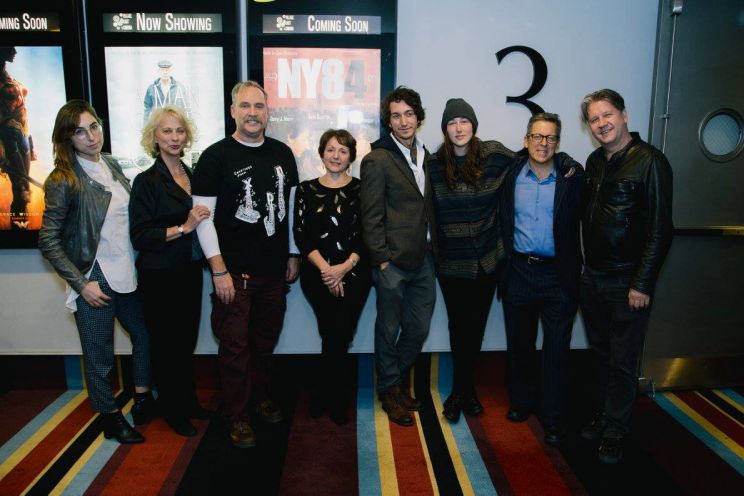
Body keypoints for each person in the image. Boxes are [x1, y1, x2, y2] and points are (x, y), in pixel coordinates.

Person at [39, 100, 155, 443]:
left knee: (145, 336)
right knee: (99, 353)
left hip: (127, 270)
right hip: (95, 275)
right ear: (67, 138)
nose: (91, 136)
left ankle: (142, 397)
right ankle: (109, 417)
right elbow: (48, 240)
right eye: (80, 131)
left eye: (94, 126)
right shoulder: (63, 179)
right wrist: (82, 284)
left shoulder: (111, 164)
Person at [191, 81, 299, 448]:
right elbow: (203, 220)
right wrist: (219, 270)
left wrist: (293, 253)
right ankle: (237, 416)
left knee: (264, 343)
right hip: (234, 274)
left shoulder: (283, 153)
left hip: (274, 273)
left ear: (268, 112)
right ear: (233, 111)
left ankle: (260, 397)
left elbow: (289, 210)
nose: (253, 113)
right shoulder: (215, 157)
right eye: (245, 106)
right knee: (234, 349)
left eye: (259, 106)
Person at [579, 89, 673, 463]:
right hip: (593, 277)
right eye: (594, 119)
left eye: (607, 115)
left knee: (622, 359)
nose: (601, 123)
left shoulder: (650, 161)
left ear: (624, 115)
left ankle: (616, 430)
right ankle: (605, 415)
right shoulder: (594, 162)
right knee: (601, 355)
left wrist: (642, 283)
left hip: (627, 283)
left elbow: (661, 229)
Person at [499, 112, 584, 445]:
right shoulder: (510, 175)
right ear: (526, 140)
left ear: (558, 143)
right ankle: (521, 403)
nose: (543, 143)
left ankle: (553, 417)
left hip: (558, 276)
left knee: (556, 350)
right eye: (537, 136)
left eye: (550, 138)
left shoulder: (572, 178)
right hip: (519, 272)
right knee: (520, 345)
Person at [429, 98, 514, 423]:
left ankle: (462, 391)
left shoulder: (494, 154)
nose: (459, 127)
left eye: (464, 121)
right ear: (445, 129)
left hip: (487, 261)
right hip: (452, 263)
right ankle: (463, 391)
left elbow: (531, 157)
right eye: (452, 123)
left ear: (474, 125)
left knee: (475, 327)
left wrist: (561, 159)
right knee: (458, 326)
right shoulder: (434, 165)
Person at [129, 105, 211, 437]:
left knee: (185, 340)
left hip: (188, 271)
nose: (174, 137)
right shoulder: (146, 181)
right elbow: (140, 236)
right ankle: (174, 411)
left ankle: (188, 402)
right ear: (154, 137)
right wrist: (183, 227)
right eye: (167, 131)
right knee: (166, 345)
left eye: (179, 130)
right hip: (159, 276)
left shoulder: (191, 174)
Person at [360, 86, 437, 427]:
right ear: (388, 121)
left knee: (418, 328)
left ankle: (394, 380)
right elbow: (370, 214)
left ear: (418, 117)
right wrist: (381, 259)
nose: (403, 121)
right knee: (388, 329)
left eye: (409, 114)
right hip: (391, 263)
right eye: (396, 115)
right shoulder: (377, 159)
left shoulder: (426, 155)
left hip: (424, 260)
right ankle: (391, 390)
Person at [294, 129, 371, 425]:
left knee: (341, 332)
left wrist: (343, 268)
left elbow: (367, 232)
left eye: (342, 150)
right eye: (330, 150)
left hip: (355, 273)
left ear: (351, 156)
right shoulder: (305, 189)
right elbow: (301, 234)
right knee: (330, 331)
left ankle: (329, 394)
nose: (336, 156)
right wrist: (327, 271)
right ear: (321, 153)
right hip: (317, 275)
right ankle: (330, 393)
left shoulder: (363, 189)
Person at [0, 46, 37, 228]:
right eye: (10, 48)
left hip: (23, 135)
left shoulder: (10, 79)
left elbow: (24, 115)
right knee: (21, 187)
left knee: (25, 188)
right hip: (9, 137)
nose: (14, 51)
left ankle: (22, 229)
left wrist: (31, 143)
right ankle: (18, 232)